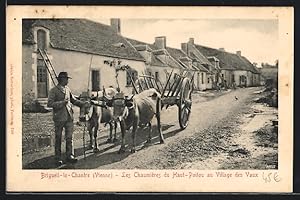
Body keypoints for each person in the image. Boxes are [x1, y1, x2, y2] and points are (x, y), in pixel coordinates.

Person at [47, 72, 89, 166]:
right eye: (66, 79)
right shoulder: (53, 90)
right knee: (58, 138)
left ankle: (70, 156)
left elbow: (73, 100)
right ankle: (58, 158)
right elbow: (49, 104)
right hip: (59, 118)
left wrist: (82, 103)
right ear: (61, 79)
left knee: (69, 138)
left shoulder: (67, 89)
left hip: (69, 117)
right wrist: (62, 103)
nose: (68, 81)